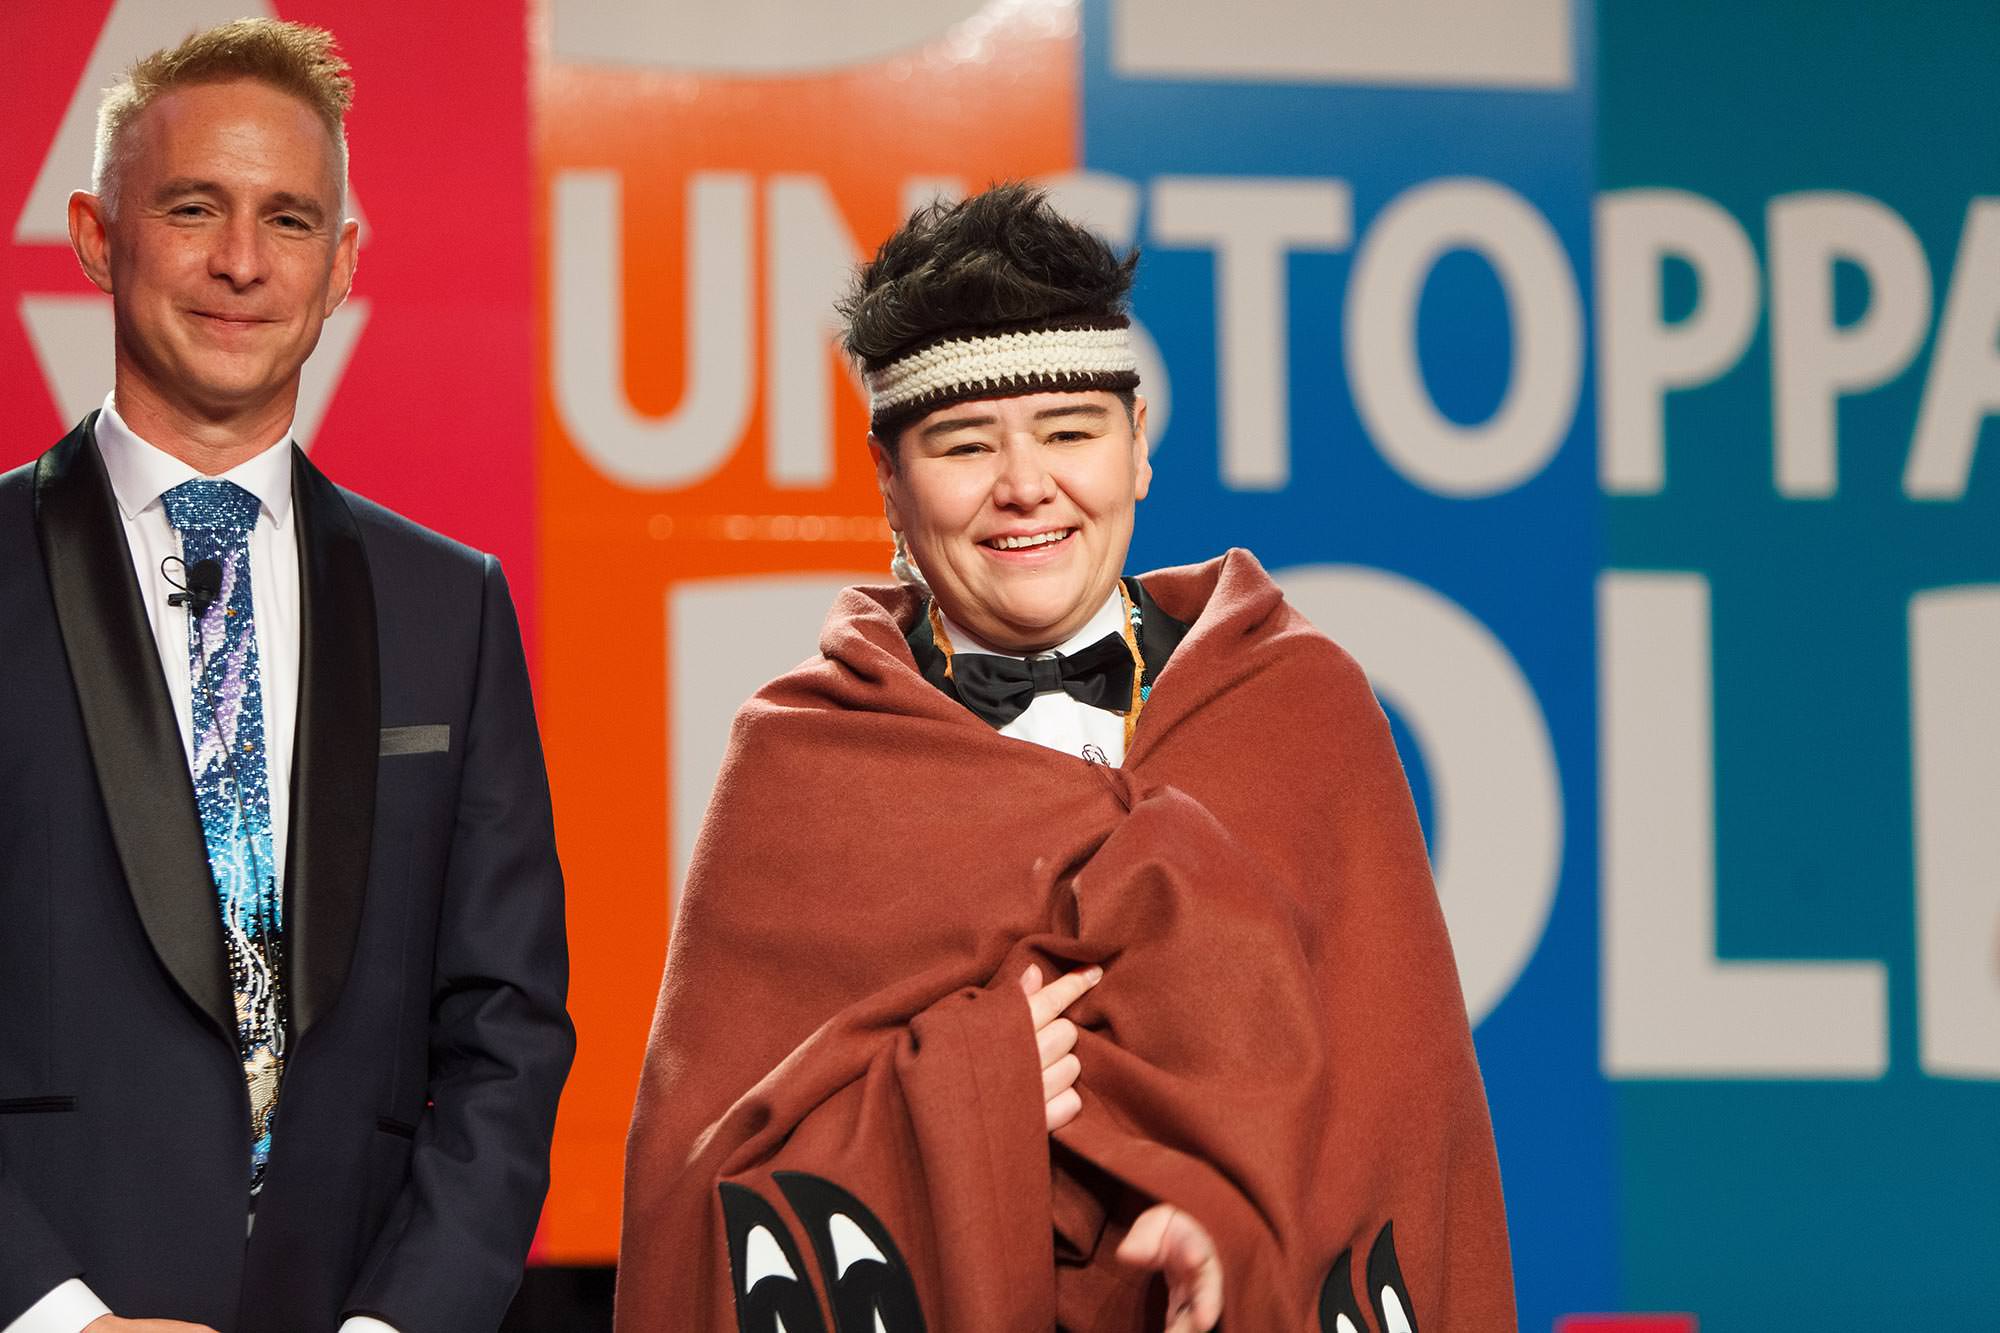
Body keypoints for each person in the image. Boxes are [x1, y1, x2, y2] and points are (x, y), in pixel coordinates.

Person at [615, 182, 1514, 1331]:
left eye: (1069, 431)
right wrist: (959, 1098)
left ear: (1137, 448)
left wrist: (1242, 1224)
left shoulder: (1299, 709)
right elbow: (703, 1192)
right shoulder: (802, 762)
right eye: (963, 444)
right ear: (889, 479)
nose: (1024, 485)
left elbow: (1401, 1113)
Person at [0, 20, 572, 1333]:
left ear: (345, 262)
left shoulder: (452, 607)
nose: (242, 263)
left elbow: (508, 1035)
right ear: (95, 233)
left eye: (290, 218)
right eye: (194, 207)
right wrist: (57, 1318)